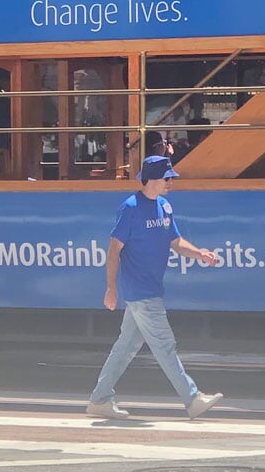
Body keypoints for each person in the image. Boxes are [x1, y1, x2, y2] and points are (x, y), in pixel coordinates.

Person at [86, 155, 224, 420]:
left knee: (125, 347)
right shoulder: (130, 208)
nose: (170, 182)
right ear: (151, 179)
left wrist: (201, 254)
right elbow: (114, 251)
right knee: (164, 345)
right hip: (141, 291)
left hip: (149, 288)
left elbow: (176, 241)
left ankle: (99, 399)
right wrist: (111, 288)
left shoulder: (165, 206)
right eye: (167, 177)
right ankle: (192, 399)